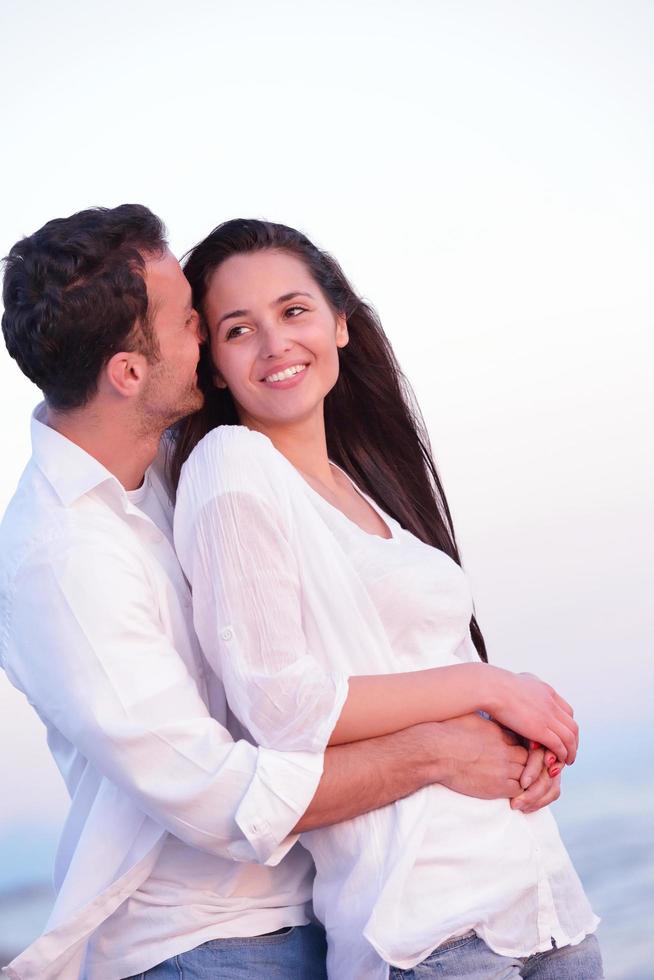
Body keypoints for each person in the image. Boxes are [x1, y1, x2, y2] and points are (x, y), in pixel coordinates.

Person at [0, 205, 555, 980]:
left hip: (322, 906)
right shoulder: (59, 561)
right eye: (198, 322)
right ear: (127, 374)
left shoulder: (170, 469)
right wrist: (436, 749)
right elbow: (218, 797)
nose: (210, 334)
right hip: (205, 948)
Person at [171, 218, 603, 979]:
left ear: (340, 323)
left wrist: (521, 744)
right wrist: (490, 686)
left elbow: (417, 665)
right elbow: (282, 707)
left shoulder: (371, 491)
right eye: (240, 329)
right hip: (428, 932)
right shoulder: (230, 465)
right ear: (212, 367)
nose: (275, 344)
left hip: (538, 896)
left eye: (294, 311)